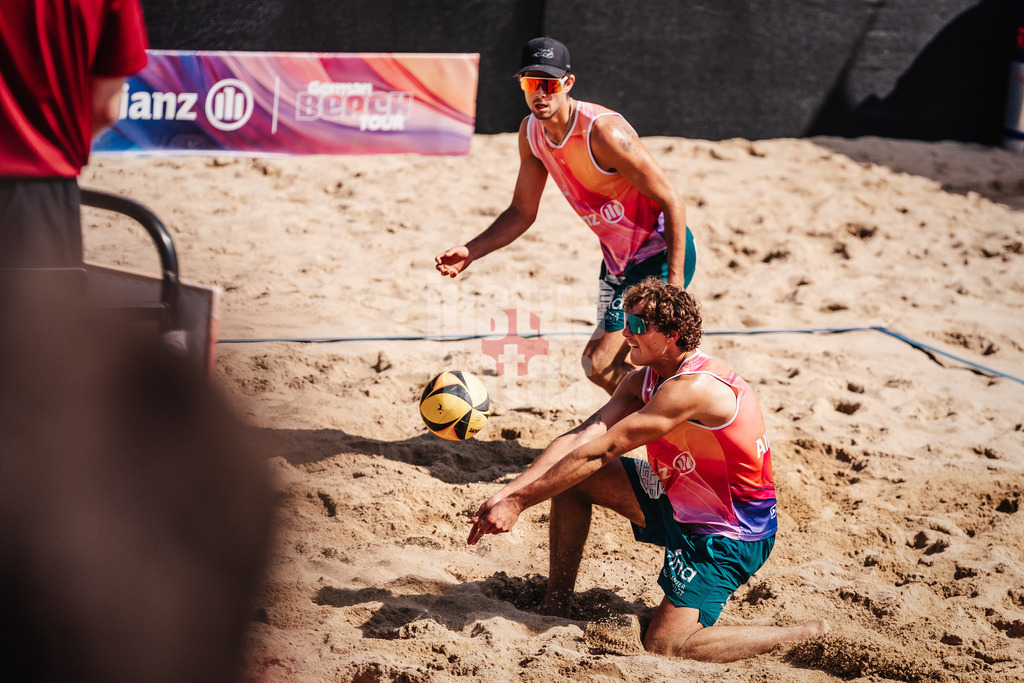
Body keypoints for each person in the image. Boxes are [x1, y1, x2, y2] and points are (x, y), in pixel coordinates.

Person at [467, 277, 826, 662]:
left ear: (672, 335)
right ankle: (555, 606)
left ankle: (800, 634)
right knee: (573, 483)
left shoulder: (692, 388)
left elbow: (600, 451)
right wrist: (509, 492)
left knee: (665, 645)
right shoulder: (644, 377)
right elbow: (581, 436)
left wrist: (520, 503)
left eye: (637, 326)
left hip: (729, 533)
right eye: (626, 321)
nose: (625, 333)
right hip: (677, 498)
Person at [435, 37, 695, 394]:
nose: (539, 93)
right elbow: (522, 212)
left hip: (658, 254)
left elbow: (672, 199)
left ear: (567, 84)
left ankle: (669, 425)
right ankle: (653, 431)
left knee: (604, 362)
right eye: (530, 83)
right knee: (605, 366)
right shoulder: (531, 134)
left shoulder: (603, 131)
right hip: (618, 262)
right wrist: (471, 251)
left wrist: (674, 285)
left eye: (549, 84)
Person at [0, 0, 149, 268]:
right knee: (34, 308)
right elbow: (106, 109)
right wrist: (54, 148)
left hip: (41, 185)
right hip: (42, 196)